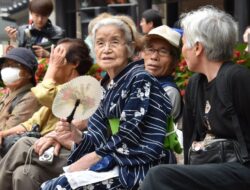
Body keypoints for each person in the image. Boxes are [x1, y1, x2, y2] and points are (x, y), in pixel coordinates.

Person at [40, 16, 173, 190]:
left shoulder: (141, 78)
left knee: (57, 187)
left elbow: (130, 134)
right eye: (100, 43)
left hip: (140, 167)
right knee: (49, 185)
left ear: (130, 48)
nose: (107, 49)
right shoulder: (107, 85)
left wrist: (93, 157)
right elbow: (98, 138)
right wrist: (76, 135)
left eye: (115, 42)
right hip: (115, 162)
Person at [141, 6, 250, 190]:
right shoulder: (194, 84)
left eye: (184, 44)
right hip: (210, 167)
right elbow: (191, 142)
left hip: (242, 169)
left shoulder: (237, 78)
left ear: (198, 48)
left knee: (158, 175)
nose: (183, 50)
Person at [0, 38, 93, 190]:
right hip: (46, 150)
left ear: (74, 64)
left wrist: (51, 68)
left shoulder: (84, 87)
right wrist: (3, 134)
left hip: (70, 151)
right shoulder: (59, 88)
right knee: (23, 173)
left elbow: (43, 94)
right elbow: (32, 123)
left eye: (58, 57)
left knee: (23, 144)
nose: (53, 60)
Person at [141, 25, 183, 155]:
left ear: (175, 61)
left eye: (163, 51)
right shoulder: (138, 82)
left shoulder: (168, 92)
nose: (154, 57)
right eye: (150, 49)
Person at [0, 47, 40, 141]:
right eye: (6, 65)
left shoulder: (30, 97)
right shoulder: (8, 94)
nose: (8, 69)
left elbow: (6, 132)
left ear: (29, 74)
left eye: (16, 65)